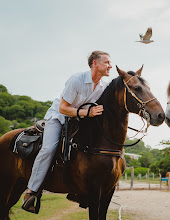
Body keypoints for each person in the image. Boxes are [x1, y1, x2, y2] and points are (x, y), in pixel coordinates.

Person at [22, 51, 112, 211]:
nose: (110, 66)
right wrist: (86, 113)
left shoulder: (104, 86)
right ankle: (31, 191)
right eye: (106, 62)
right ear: (95, 64)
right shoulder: (76, 80)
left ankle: (78, 191)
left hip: (80, 120)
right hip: (58, 117)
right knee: (49, 148)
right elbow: (63, 108)